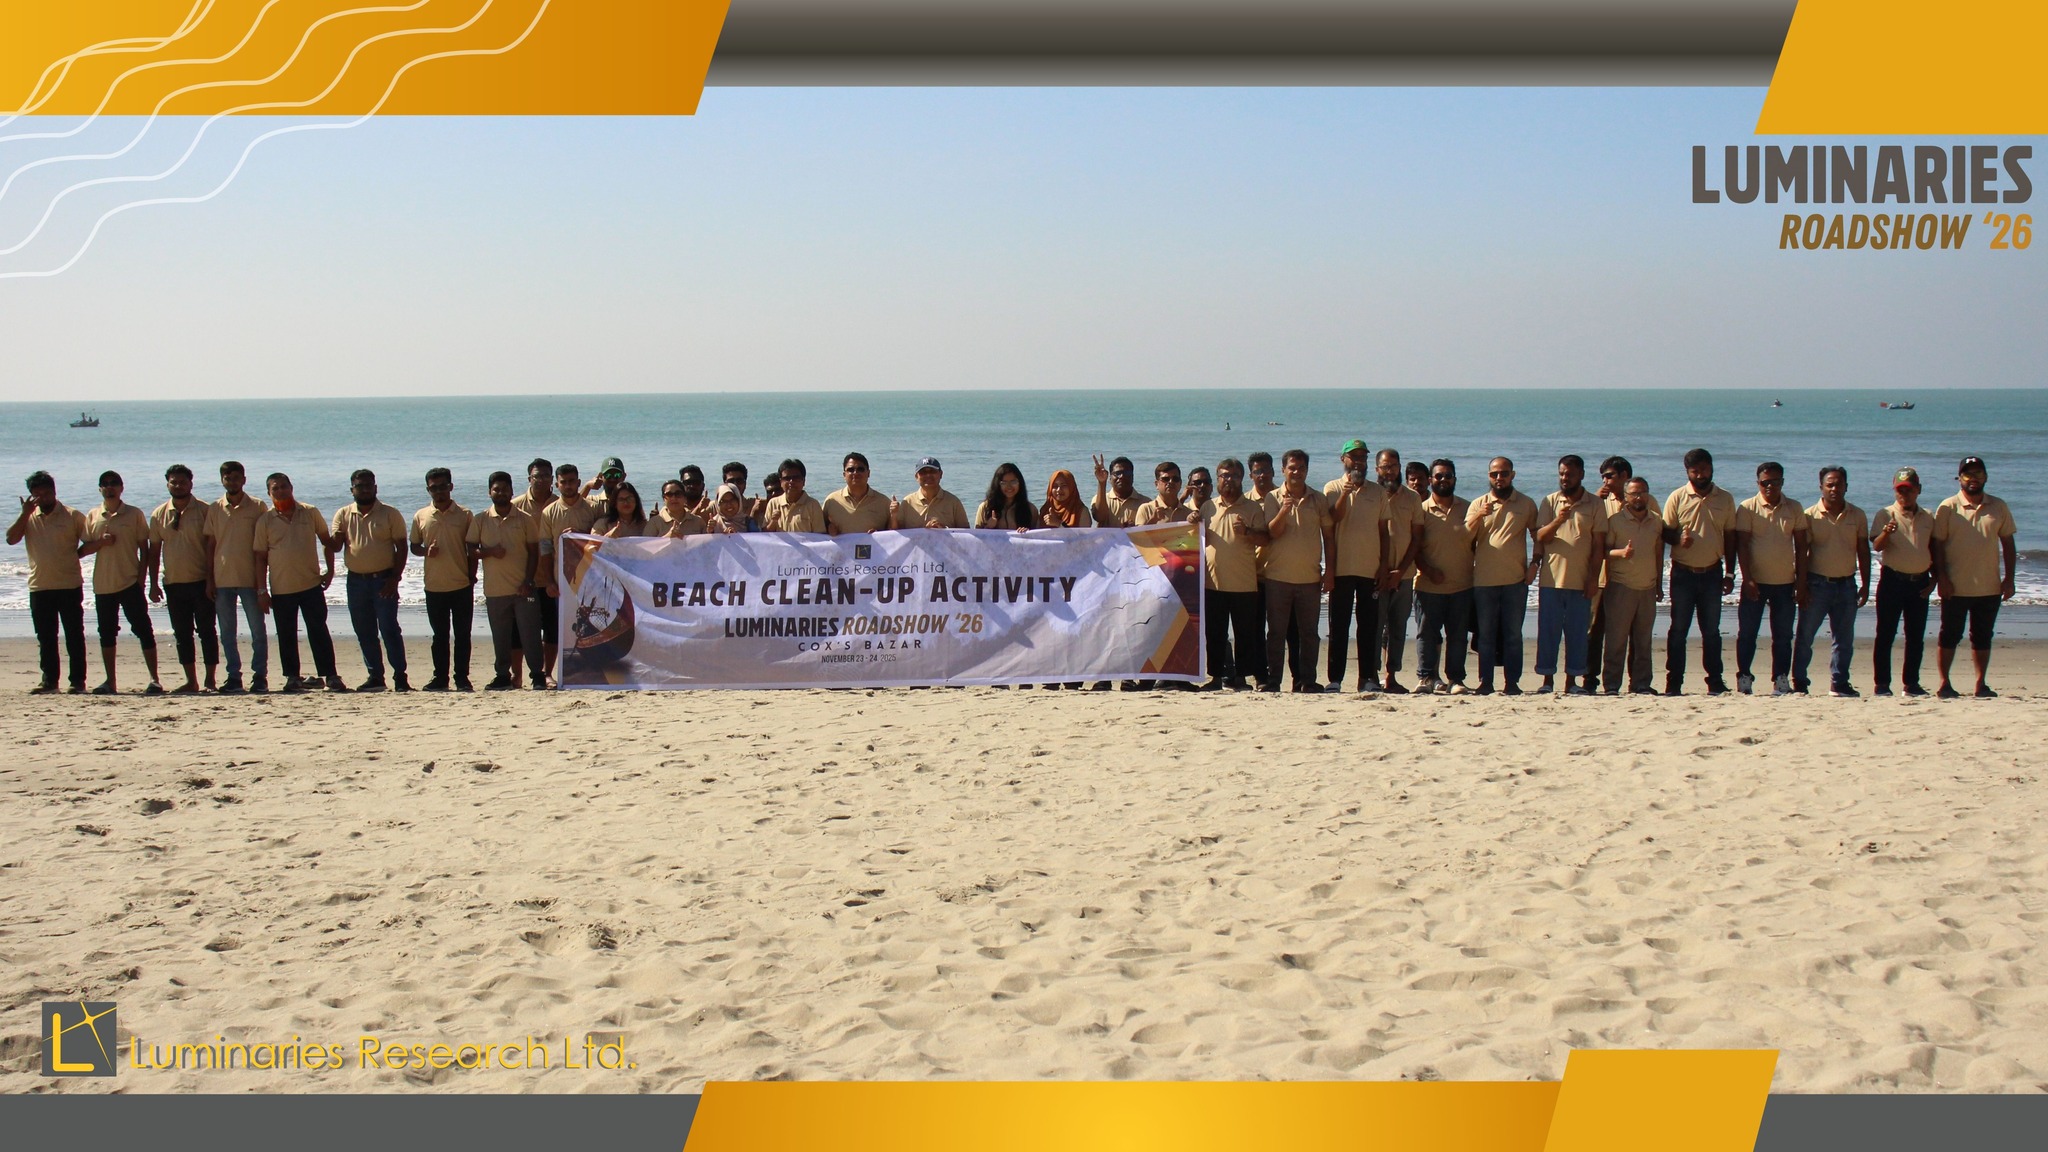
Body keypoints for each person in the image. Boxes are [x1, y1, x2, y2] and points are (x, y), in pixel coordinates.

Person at [1931, 456, 2017, 699]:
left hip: (1989, 586)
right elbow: (1937, 545)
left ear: (1986, 477)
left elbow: (2008, 543)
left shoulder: (1998, 506)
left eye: (1978, 473)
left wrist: (2009, 578)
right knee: (1949, 634)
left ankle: (1981, 684)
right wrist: (1941, 578)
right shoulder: (1947, 507)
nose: (1973, 478)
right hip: (1955, 586)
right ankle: (1944, 683)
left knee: (1982, 636)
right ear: (1960, 478)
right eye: (1968, 474)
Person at [252, 473, 346, 693]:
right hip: (281, 587)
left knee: (318, 630)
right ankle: (292, 677)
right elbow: (259, 558)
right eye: (275, 488)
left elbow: (326, 541)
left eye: (284, 486)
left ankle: (330, 675)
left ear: (292, 487)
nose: (281, 491)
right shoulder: (265, 520)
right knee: (286, 634)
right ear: (269, 493)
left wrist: (330, 571)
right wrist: (261, 591)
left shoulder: (310, 512)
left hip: (311, 584)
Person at [9, 471, 97, 693]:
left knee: (74, 635)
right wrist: (24, 513)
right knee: (46, 637)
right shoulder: (28, 517)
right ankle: (49, 681)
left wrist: (75, 555)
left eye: (46, 493)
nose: (42, 498)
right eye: (37, 495)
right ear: (31, 496)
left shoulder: (72, 515)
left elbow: (90, 542)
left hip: (69, 584)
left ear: (54, 492)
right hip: (40, 585)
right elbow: (11, 539)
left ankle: (77, 682)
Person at [1662, 448, 1738, 696]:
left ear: (1711, 468)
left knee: (1712, 631)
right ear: (1687, 472)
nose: (1700, 474)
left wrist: (1730, 574)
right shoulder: (1677, 497)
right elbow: (1664, 532)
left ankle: (1714, 681)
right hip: (1683, 573)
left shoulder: (1724, 498)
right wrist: (1677, 539)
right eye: (1695, 471)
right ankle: (1674, 682)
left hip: (1712, 573)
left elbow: (1730, 537)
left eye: (1704, 469)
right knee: (1678, 630)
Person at [468, 471, 550, 691]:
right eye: (496, 489)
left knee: (531, 634)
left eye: (505, 489)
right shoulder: (481, 519)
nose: (501, 492)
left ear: (511, 491)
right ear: (489, 492)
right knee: (501, 637)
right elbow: (470, 549)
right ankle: (503, 675)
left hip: (523, 589)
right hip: (495, 590)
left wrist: (528, 581)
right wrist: (489, 551)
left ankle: (537, 675)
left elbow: (534, 553)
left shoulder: (525, 519)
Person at [1533, 455, 1607, 695]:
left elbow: (1598, 546)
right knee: (1549, 632)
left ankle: (1572, 682)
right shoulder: (1550, 501)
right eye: (1562, 474)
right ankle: (1547, 680)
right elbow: (1540, 537)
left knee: (1577, 633)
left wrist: (1593, 578)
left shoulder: (1595, 504)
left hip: (1580, 580)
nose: (1565, 478)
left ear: (1582, 475)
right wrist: (1558, 520)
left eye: (1571, 474)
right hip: (1551, 579)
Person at [1324, 440, 1393, 696]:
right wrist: (1346, 492)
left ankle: (1367, 677)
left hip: (1370, 570)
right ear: (1343, 459)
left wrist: (1384, 566)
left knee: (1368, 627)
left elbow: (1384, 533)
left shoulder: (1378, 492)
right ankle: (1335, 679)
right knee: (1338, 626)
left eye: (1363, 457)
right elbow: (1332, 520)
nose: (1359, 462)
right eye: (1354, 457)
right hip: (1341, 570)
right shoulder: (1332, 488)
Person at [1734, 461, 1810, 695]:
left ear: (1782, 482)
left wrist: (1801, 581)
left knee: (1783, 636)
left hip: (1785, 582)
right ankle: (1744, 677)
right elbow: (1742, 546)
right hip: (1755, 582)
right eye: (1765, 482)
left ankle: (1780, 679)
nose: (1770, 486)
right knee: (1747, 633)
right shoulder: (1747, 508)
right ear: (1758, 483)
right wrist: (1747, 579)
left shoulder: (1794, 508)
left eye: (1775, 482)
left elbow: (1801, 546)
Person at [331, 469, 410, 691]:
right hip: (356, 582)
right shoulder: (343, 514)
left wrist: (395, 578)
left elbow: (402, 547)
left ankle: (400, 677)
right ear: (352, 489)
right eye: (359, 486)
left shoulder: (389, 513)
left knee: (389, 629)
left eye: (368, 485)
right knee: (364, 631)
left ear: (375, 487)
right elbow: (336, 546)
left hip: (383, 579)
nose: (364, 489)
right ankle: (376, 676)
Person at [1466, 457, 1540, 695]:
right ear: (1489, 476)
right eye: (1495, 474)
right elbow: (1464, 540)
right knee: (1485, 635)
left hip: (1515, 581)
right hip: (1484, 582)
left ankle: (1512, 683)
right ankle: (1485, 682)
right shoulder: (1478, 504)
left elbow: (1538, 537)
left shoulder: (1526, 504)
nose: (1499, 478)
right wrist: (1479, 515)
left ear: (1513, 475)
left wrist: (1535, 565)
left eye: (1504, 473)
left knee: (1512, 635)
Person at [85, 471, 163, 695]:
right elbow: (81, 550)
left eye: (114, 484)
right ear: (100, 489)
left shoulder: (134, 514)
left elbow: (145, 549)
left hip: (130, 583)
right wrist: (101, 542)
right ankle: (110, 681)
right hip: (103, 585)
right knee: (107, 633)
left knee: (144, 630)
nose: (110, 488)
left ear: (121, 487)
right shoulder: (93, 515)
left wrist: (142, 580)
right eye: (105, 485)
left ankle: (154, 679)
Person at [1794, 465, 1870, 697]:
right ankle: (1799, 681)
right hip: (1817, 584)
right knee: (1805, 636)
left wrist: (1866, 585)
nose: (1834, 488)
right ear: (1821, 487)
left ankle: (1839, 683)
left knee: (1844, 639)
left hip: (1847, 585)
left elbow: (1863, 551)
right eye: (1830, 484)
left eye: (1838, 484)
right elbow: (1802, 553)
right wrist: (1802, 585)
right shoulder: (1809, 515)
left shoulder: (1857, 515)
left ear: (1846, 486)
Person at [1262, 449, 1333, 693]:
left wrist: (1330, 570)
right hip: (1278, 577)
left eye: (1301, 467)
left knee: (1310, 634)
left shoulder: (1318, 499)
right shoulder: (1273, 498)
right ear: (1283, 470)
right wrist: (1284, 509)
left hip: (1310, 578)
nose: (1296, 472)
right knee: (1276, 633)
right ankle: (1273, 680)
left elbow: (1328, 537)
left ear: (1306, 470)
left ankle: (1306, 680)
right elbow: (1272, 532)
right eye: (1292, 467)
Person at [147, 464, 219, 693]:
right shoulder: (159, 514)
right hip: (174, 583)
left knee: (207, 631)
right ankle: (191, 681)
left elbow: (212, 547)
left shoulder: (205, 511)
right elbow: (154, 551)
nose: (178, 486)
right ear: (167, 484)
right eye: (173, 482)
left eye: (182, 482)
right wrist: (154, 583)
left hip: (201, 582)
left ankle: (210, 680)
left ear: (191, 483)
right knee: (182, 635)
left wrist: (211, 580)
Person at [1201, 458, 1270, 690]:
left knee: (1244, 635)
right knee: (1215, 634)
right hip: (1213, 583)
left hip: (1244, 583)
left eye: (1233, 476)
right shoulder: (1208, 507)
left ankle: (1241, 678)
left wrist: (1247, 531)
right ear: (1217, 479)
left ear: (1242, 479)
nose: (1228, 480)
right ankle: (1216, 677)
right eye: (1224, 476)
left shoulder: (1252, 508)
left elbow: (1265, 539)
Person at [204, 461, 269, 694]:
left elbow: (264, 546)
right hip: (222, 580)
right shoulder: (215, 508)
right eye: (227, 478)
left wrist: (263, 584)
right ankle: (234, 677)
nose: (232, 482)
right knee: (227, 633)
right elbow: (210, 545)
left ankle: (260, 676)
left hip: (250, 579)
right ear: (222, 480)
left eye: (236, 478)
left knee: (258, 632)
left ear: (244, 479)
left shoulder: (258, 506)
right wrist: (210, 580)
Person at [1870, 467, 1935, 696]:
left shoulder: (1928, 516)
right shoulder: (1885, 514)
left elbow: (1934, 549)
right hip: (1893, 580)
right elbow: (1876, 546)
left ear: (1918, 490)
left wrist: (1934, 579)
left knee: (1916, 636)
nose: (1903, 495)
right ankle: (1882, 684)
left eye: (1908, 490)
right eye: (1899, 490)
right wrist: (1887, 532)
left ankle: (1911, 683)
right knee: (1886, 634)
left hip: (1919, 582)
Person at [410, 468, 476, 692]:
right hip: (434, 586)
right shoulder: (421, 515)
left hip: (461, 584)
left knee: (463, 635)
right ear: (428, 490)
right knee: (439, 636)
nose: (439, 491)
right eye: (434, 488)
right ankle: (440, 678)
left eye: (442, 486)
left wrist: (472, 576)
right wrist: (425, 551)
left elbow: (472, 549)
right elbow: (414, 546)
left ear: (451, 487)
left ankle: (462, 678)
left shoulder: (465, 515)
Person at [1412, 459, 1474, 695]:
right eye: (1438, 476)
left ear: (1455, 479)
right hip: (1427, 585)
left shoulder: (1469, 509)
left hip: (1462, 585)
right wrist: (1428, 570)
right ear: (1430, 480)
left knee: (1458, 636)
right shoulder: (1420, 510)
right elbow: (1414, 547)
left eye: (1448, 476)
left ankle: (1456, 680)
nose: (1443, 480)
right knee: (1426, 635)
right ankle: (1426, 677)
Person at [1600, 476, 1664, 694]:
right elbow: (1603, 552)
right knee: (1616, 641)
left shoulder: (1656, 520)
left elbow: (1658, 552)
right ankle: (1611, 685)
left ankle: (1641, 684)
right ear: (1625, 497)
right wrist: (1621, 553)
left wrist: (1659, 584)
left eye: (1643, 492)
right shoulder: (1615, 521)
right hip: (1621, 586)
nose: (1639, 497)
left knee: (1643, 641)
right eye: (1634, 493)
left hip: (1647, 586)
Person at [1373, 447, 1425, 693]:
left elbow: (1416, 538)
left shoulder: (1412, 498)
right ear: (1377, 470)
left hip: (1404, 576)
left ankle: (1391, 676)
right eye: (1385, 467)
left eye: (1394, 466)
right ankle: (1370, 676)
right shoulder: (1370, 495)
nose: (1390, 471)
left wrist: (1400, 570)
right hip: (1373, 575)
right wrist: (1382, 571)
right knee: (1373, 627)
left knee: (1397, 629)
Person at [1584, 455, 1633, 693]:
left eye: (1610, 476)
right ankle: (1589, 679)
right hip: (1602, 576)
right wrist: (1595, 499)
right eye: (1602, 476)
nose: (1605, 480)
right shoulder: (1599, 502)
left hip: (1630, 578)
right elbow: (1583, 533)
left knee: (1625, 632)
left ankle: (1628, 682)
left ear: (1625, 477)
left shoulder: (1642, 500)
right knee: (1594, 630)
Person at [891, 458, 969, 530]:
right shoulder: (907, 502)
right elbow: (897, 537)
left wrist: (944, 530)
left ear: (941, 474)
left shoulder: (953, 502)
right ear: (916, 477)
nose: (928, 475)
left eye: (932, 471)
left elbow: (966, 534)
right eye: (923, 472)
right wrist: (894, 516)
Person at [824, 453, 891, 535]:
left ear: (868, 473)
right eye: (850, 470)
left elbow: (895, 536)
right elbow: (819, 532)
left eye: (860, 469)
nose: (855, 473)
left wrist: (880, 535)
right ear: (844, 475)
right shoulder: (831, 501)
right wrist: (828, 530)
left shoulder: (884, 503)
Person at [764, 459, 825, 533]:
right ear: (781, 482)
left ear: (804, 481)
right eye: (787, 478)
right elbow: (765, 536)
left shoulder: (813, 505)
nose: (791, 482)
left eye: (796, 478)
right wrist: (773, 522)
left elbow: (820, 537)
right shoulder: (773, 503)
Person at [976, 463, 1040, 530]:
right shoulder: (985, 508)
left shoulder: (1030, 509)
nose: (1009, 486)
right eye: (1004, 483)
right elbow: (976, 537)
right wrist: (988, 527)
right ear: (997, 484)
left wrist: (1027, 533)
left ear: (1020, 483)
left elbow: (1038, 536)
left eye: (1013, 482)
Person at [1135, 461, 1199, 526]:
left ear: (1180, 483)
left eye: (1175, 479)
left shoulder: (1188, 514)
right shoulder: (1146, 509)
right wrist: (1153, 520)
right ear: (1156, 484)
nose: (1171, 482)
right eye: (1165, 479)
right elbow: (1138, 535)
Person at [1090, 455, 1146, 528]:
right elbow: (1099, 517)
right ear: (1110, 478)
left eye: (1126, 473)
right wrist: (1102, 483)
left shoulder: (1145, 503)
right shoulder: (1100, 499)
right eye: (1117, 473)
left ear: (1132, 476)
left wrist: (1135, 528)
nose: (1122, 476)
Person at [722, 462, 768, 526]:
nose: (735, 485)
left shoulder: (755, 504)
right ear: (724, 484)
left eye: (739, 481)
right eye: (731, 481)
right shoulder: (714, 507)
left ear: (745, 484)